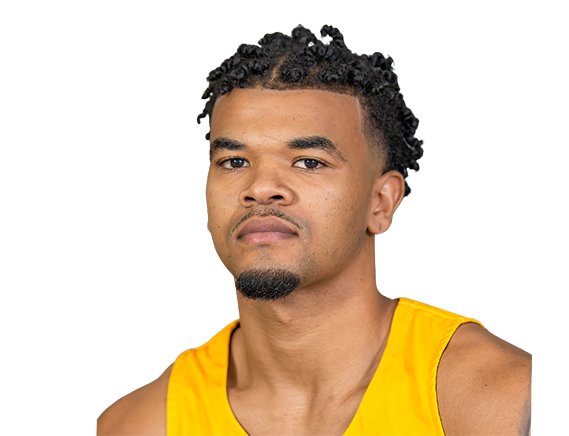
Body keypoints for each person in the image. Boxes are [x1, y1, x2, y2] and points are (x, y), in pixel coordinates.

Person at [97, 24, 533, 436]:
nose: (260, 188)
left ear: (381, 202)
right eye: (234, 161)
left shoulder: (498, 402)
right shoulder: (142, 425)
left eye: (309, 162)